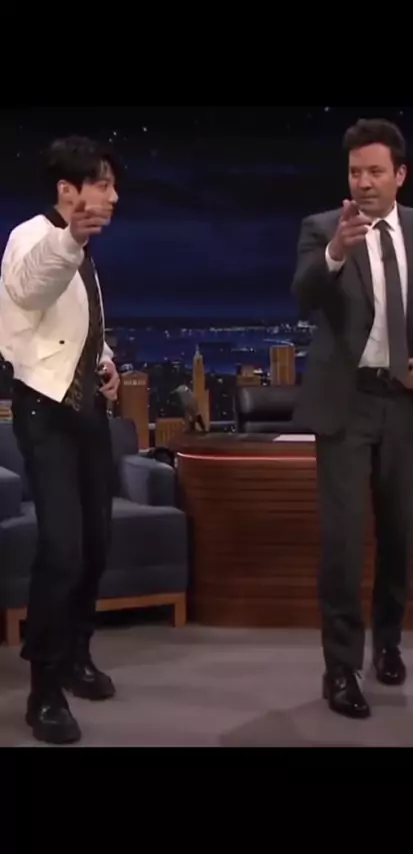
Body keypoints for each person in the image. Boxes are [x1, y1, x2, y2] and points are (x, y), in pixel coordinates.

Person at [291, 118, 413, 719]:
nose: (363, 183)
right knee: (343, 543)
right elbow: (304, 295)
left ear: (400, 175)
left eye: (375, 172)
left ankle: (388, 643)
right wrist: (336, 253)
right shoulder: (322, 228)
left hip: (403, 404)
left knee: (398, 534)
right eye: (354, 172)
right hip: (345, 404)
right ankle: (341, 669)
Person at [0, 136, 121, 744]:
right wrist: (70, 238)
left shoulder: (84, 248)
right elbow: (29, 291)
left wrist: (107, 361)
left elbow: (77, 324)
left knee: (96, 544)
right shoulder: (31, 237)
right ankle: (43, 689)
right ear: (67, 190)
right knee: (63, 549)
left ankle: (77, 654)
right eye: (102, 183)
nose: (113, 196)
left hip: (89, 412)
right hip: (45, 412)